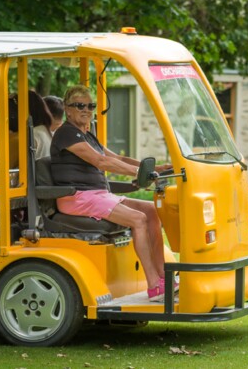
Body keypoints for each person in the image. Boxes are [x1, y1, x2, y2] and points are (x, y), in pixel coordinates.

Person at [50, 85, 173, 302]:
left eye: (90, 105)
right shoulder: (66, 133)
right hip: (77, 198)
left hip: (97, 195)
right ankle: (154, 285)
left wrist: (154, 168)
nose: (86, 109)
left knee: (151, 210)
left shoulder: (87, 134)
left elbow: (118, 159)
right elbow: (101, 161)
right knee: (138, 219)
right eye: (80, 105)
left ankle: (164, 277)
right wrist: (139, 173)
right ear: (67, 109)